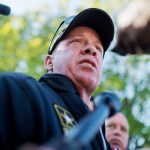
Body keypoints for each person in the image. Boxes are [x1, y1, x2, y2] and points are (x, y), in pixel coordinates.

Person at [0, 8, 115, 150]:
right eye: (76, 41)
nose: (91, 50)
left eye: (98, 49)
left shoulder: (104, 142)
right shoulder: (16, 91)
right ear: (49, 62)